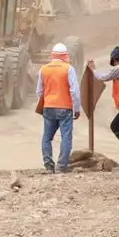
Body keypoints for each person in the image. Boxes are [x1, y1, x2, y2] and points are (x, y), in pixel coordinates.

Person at [35, 43, 82, 173]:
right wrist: (76, 108)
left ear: (53, 55)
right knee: (66, 137)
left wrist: (45, 102)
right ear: (65, 55)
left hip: (48, 107)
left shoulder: (43, 69)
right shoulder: (68, 69)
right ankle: (61, 166)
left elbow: (39, 91)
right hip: (65, 108)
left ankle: (49, 165)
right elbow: (75, 91)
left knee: (47, 137)